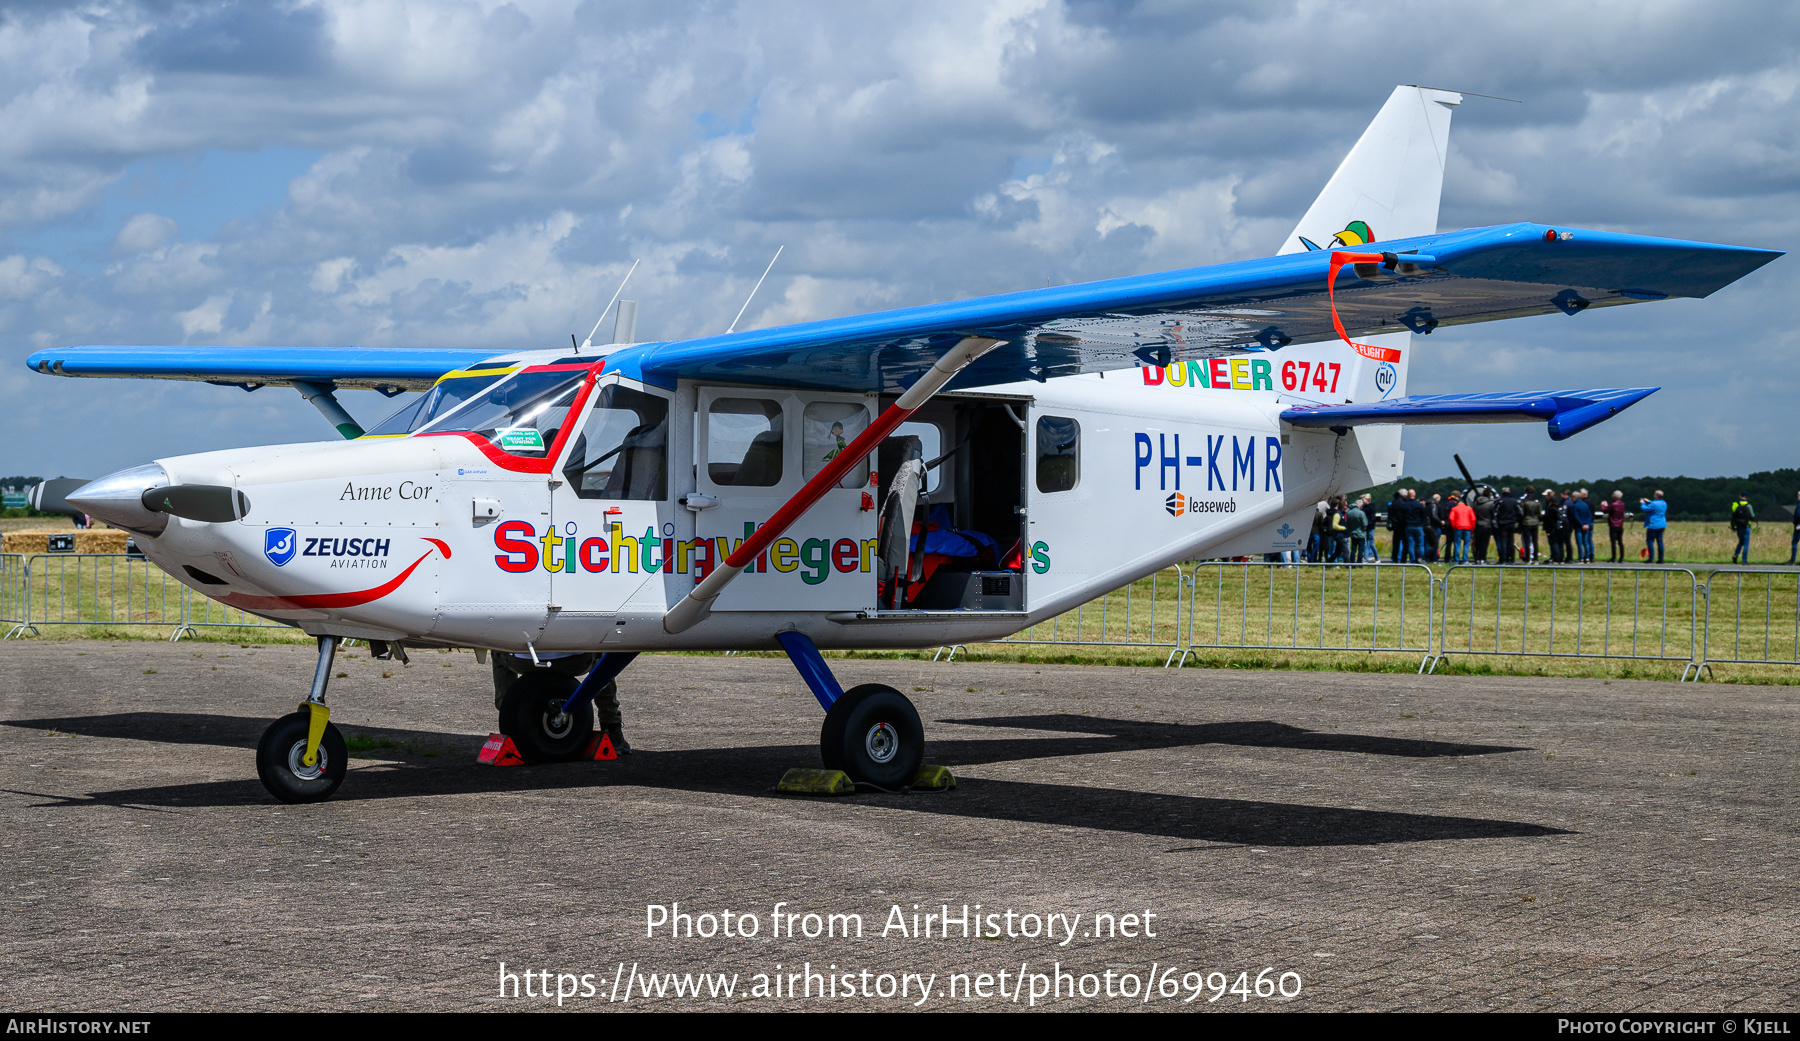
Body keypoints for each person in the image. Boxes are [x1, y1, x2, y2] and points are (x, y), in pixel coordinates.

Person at [491, 652, 630, 754]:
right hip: (574, 661)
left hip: (524, 662)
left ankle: (509, 717)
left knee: (497, 653)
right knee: (604, 659)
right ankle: (612, 727)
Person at [1494, 487, 1521, 564]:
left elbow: (1495, 513)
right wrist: (1516, 520)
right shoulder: (1514, 501)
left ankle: (1503, 559)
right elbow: (1520, 512)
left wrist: (1498, 521)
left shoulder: (1500, 501)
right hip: (1511, 523)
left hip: (1503, 524)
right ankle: (1512, 559)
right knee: (1511, 541)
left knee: (1503, 542)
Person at [1640, 489, 1668, 563]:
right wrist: (1649, 501)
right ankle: (1661, 559)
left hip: (1653, 524)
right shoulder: (1664, 503)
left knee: (1650, 541)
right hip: (1661, 524)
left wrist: (1642, 503)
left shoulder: (1654, 504)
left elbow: (1645, 509)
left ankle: (1651, 558)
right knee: (1660, 542)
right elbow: (1656, 505)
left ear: (1656, 495)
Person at [1448, 492, 1475, 564]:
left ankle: (1456, 560)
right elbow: (1473, 519)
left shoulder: (1454, 508)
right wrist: (1471, 528)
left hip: (1458, 527)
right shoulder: (1469, 509)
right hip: (1467, 528)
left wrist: (1454, 526)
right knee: (1466, 545)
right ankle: (1465, 560)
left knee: (1457, 544)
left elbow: (1451, 518)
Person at [1729, 491, 1755, 564]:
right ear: (1746, 497)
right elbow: (1753, 516)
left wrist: (1733, 526)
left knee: (1741, 542)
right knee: (1746, 543)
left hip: (1739, 527)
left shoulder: (1735, 505)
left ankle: (1736, 555)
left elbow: (1733, 517)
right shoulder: (1748, 506)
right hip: (1746, 526)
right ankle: (1744, 560)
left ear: (1740, 496)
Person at [1471, 487, 1495, 563]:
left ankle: (1477, 558)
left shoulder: (1476, 503)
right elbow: (1493, 514)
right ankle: (1483, 559)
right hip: (1486, 525)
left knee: (1477, 543)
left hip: (1478, 525)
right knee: (1484, 543)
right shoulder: (1490, 504)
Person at [1603, 490, 1628, 562]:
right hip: (1620, 524)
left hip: (1613, 524)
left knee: (1613, 542)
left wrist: (1603, 504)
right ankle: (1622, 557)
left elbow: (1604, 510)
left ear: (1615, 496)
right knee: (1620, 541)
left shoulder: (1613, 504)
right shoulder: (1622, 504)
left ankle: (1614, 557)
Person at [1571, 489, 1595, 563]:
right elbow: (1589, 516)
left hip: (1579, 526)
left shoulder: (1575, 506)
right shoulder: (1585, 505)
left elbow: (1576, 516)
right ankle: (1587, 557)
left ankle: (1581, 557)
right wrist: (1587, 524)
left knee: (1579, 542)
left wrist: (1582, 524)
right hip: (1586, 526)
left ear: (1575, 498)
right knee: (1586, 542)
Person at [1542, 488, 1565, 563]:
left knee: (1553, 542)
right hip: (1559, 526)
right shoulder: (1559, 504)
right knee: (1560, 542)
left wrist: (1547, 528)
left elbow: (1548, 518)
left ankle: (1556, 557)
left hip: (1552, 527)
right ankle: (1560, 557)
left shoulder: (1550, 507)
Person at [1346, 495, 1369, 563]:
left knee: (1353, 549)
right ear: (1360, 505)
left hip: (1353, 533)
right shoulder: (1361, 513)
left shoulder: (1349, 513)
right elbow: (1365, 524)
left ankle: (1352, 562)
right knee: (1360, 549)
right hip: (1361, 534)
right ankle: (1359, 562)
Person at [1387, 489, 1408, 563]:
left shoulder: (1393, 503)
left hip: (1395, 526)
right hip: (1402, 525)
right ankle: (1403, 559)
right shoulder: (1404, 503)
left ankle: (1394, 559)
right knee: (1405, 544)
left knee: (1395, 544)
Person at [1789, 491, 1800, 566]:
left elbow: (1798, 514)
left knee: (1794, 542)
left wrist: (1797, 523)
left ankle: (1792, 560)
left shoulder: (1799, 504)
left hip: (1799, 526)